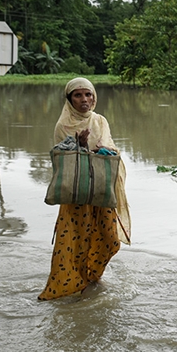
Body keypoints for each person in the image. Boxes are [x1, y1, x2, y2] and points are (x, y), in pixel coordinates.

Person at [38, 77, 131, 300]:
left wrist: (103, 149)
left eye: (88, 95)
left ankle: (91, 278)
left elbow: (112, 149)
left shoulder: (100, 121)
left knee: (109, 240)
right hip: (77, 195)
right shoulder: (63, 125)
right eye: (78, 95)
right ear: (69, 99)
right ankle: (69, 286)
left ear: (94, 98)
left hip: (100, 193)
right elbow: (61, 160)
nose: (84, 100)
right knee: (74, 243)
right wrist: (79, 146)